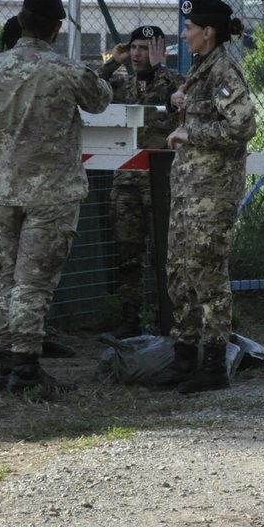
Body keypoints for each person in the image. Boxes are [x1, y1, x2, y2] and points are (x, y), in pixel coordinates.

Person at [0, 0, 111, 393]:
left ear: (21, 21)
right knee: (33, 282)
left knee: (8, 278)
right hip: (52, 195)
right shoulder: (65, 70)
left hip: (2, 193)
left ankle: (9, 361)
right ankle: (26, 368)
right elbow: (101, 100)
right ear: (57, 29)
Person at [163, 0, 255, 393]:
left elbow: (243, 126)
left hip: (211, 192)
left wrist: (190, 132)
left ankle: (214, 364)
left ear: (208, 31)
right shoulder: (201, 70)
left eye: (189, 27)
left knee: (207, 274)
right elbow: (206, 110)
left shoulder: (223, 70)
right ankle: (184, 358)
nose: (183, 35)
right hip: (188, 191)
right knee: (179, 273)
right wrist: (179, 103)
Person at [99, 25, 182, 337]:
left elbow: (179, 97)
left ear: (159, 51)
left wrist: (161, 67)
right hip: (127, 184)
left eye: (144, 48)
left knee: (168, 254)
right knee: (127, 253)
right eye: (133, 47)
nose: (136, 54)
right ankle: (130, 320)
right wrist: (113, 61)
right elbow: (91, 86)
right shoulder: (123, 85)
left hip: (161, 182)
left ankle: (171, 320)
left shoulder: (174, 81)